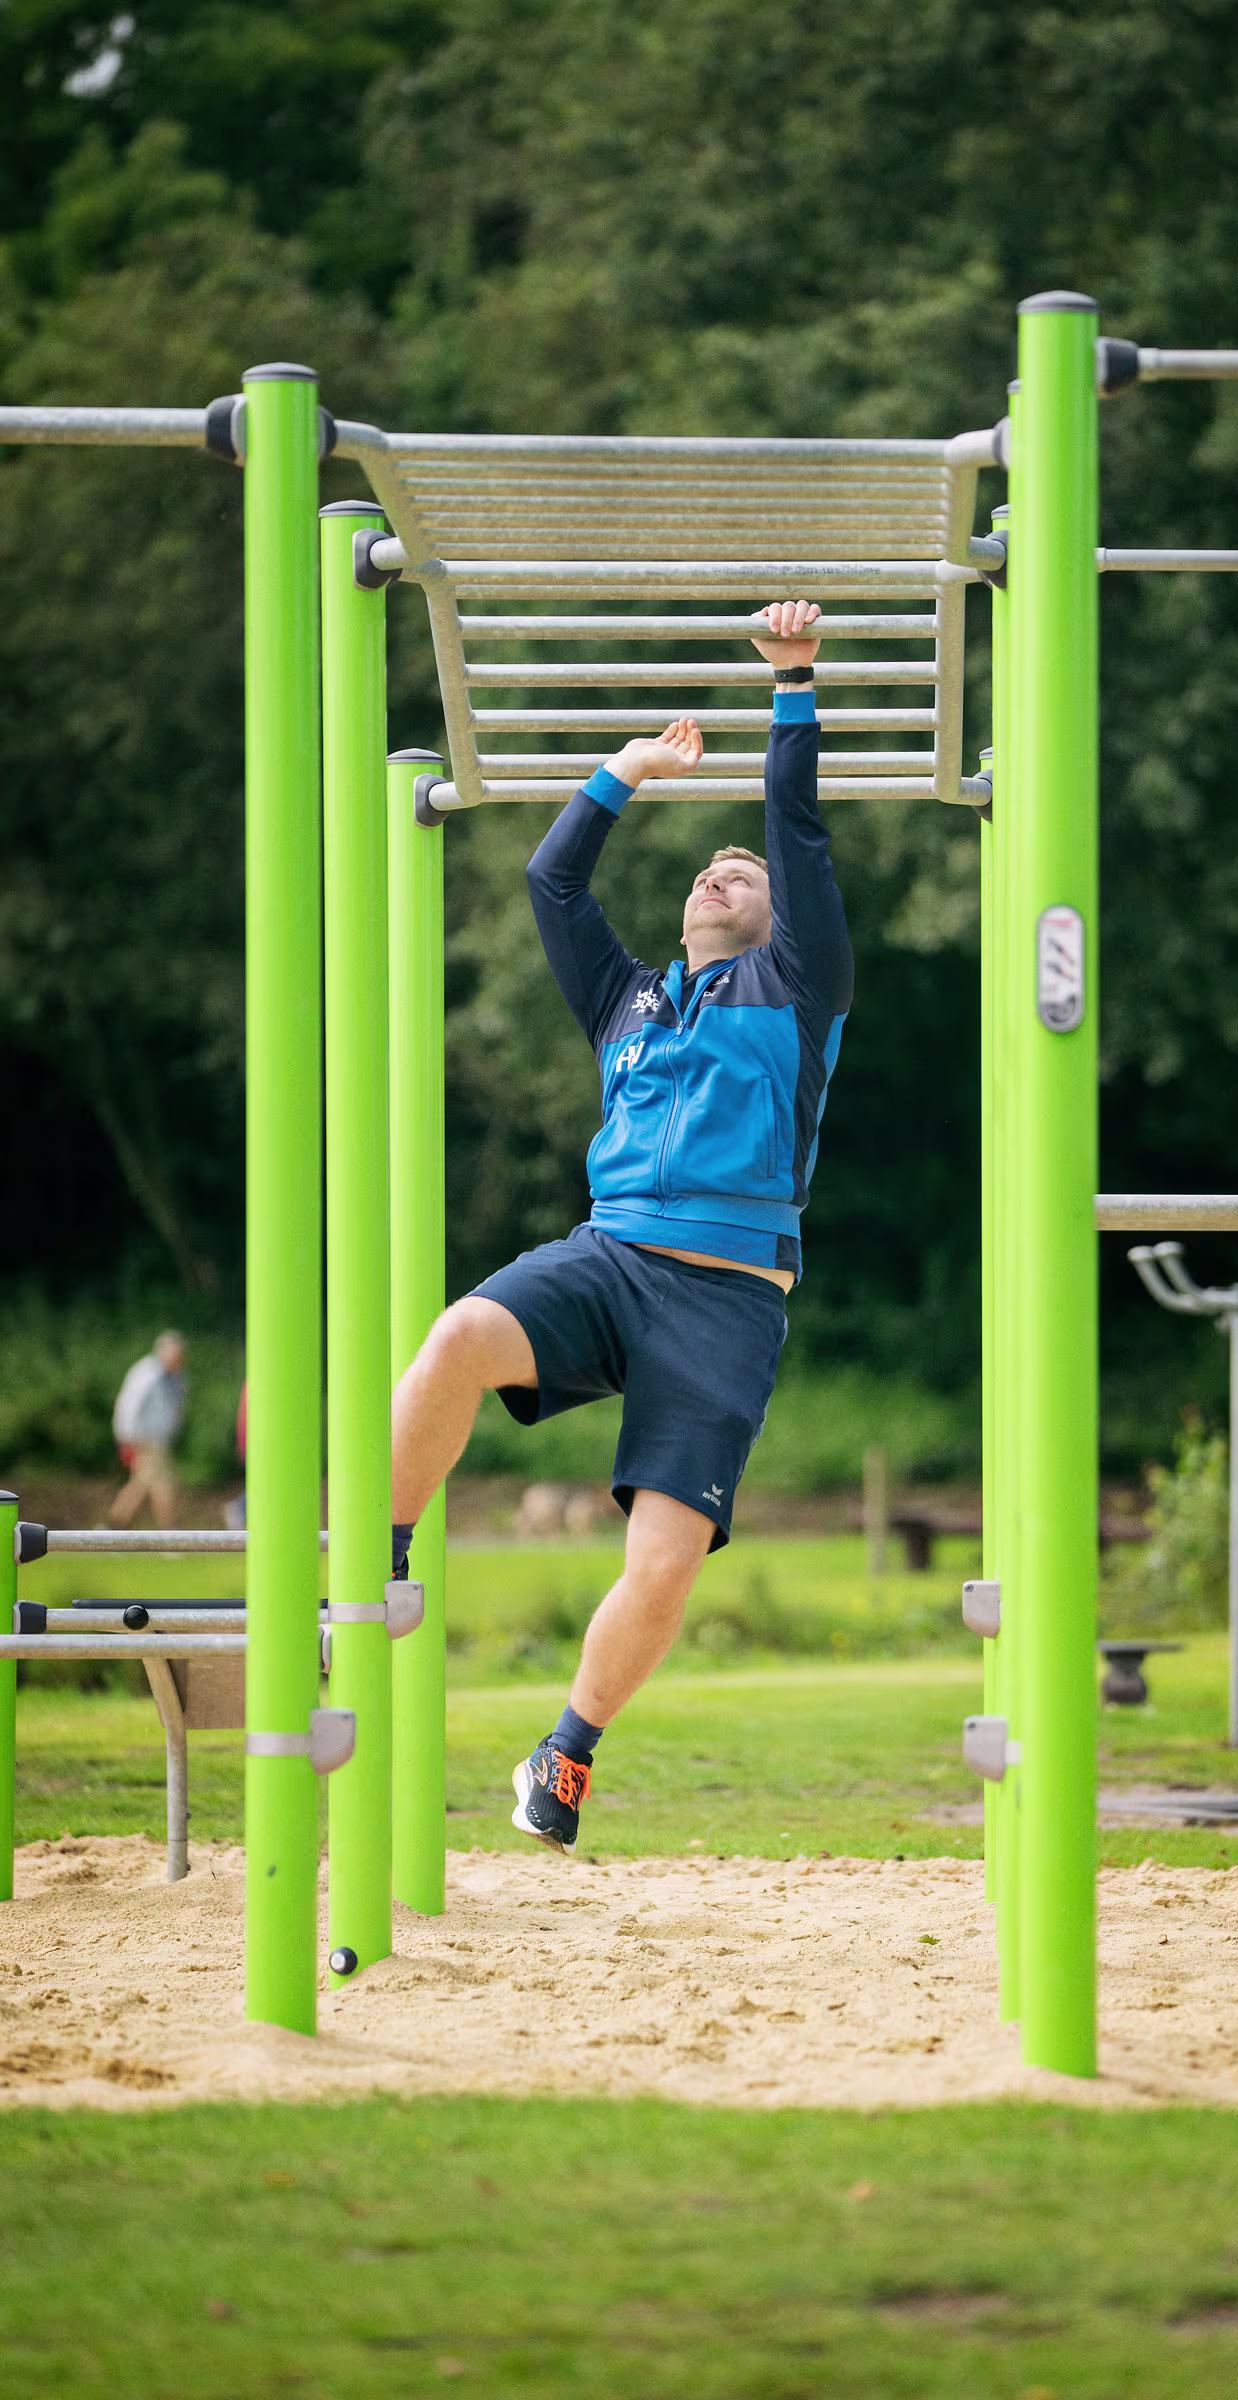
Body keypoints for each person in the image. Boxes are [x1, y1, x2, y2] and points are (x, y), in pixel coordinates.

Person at [389, 599, 850, 1853]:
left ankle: (567, 1752)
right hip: (604, 1259)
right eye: (711, 868)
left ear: (771, 918)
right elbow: (553, 877)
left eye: (740, 874)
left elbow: (795, 831)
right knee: (452, 1342)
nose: (723, 872)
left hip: (725, 1303)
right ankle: (372, 1560)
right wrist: (625, 774)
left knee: (662, 1569)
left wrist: (792, 684)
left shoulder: (798, 992)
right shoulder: (628, 1000)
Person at [108, 1330, 189, 1529]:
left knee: (141, 1485)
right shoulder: (147, 1373)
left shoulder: (177, 1377)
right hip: (144, 1440)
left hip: (160, 1441)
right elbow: (129, 1405)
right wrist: (126, 1439)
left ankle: (112, 1528)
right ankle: (169, 1533)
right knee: (164, 1485)